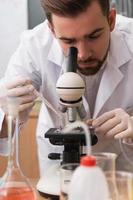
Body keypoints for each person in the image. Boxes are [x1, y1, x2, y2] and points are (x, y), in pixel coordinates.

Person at [0, 0, 133, 176]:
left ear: (111, 20)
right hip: (59, 161)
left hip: (121, 163)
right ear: (51, 29)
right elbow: (3, 125)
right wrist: (10, 115)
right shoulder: (34, 46)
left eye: (93, 36)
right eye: (68, 41)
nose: (83, 53)